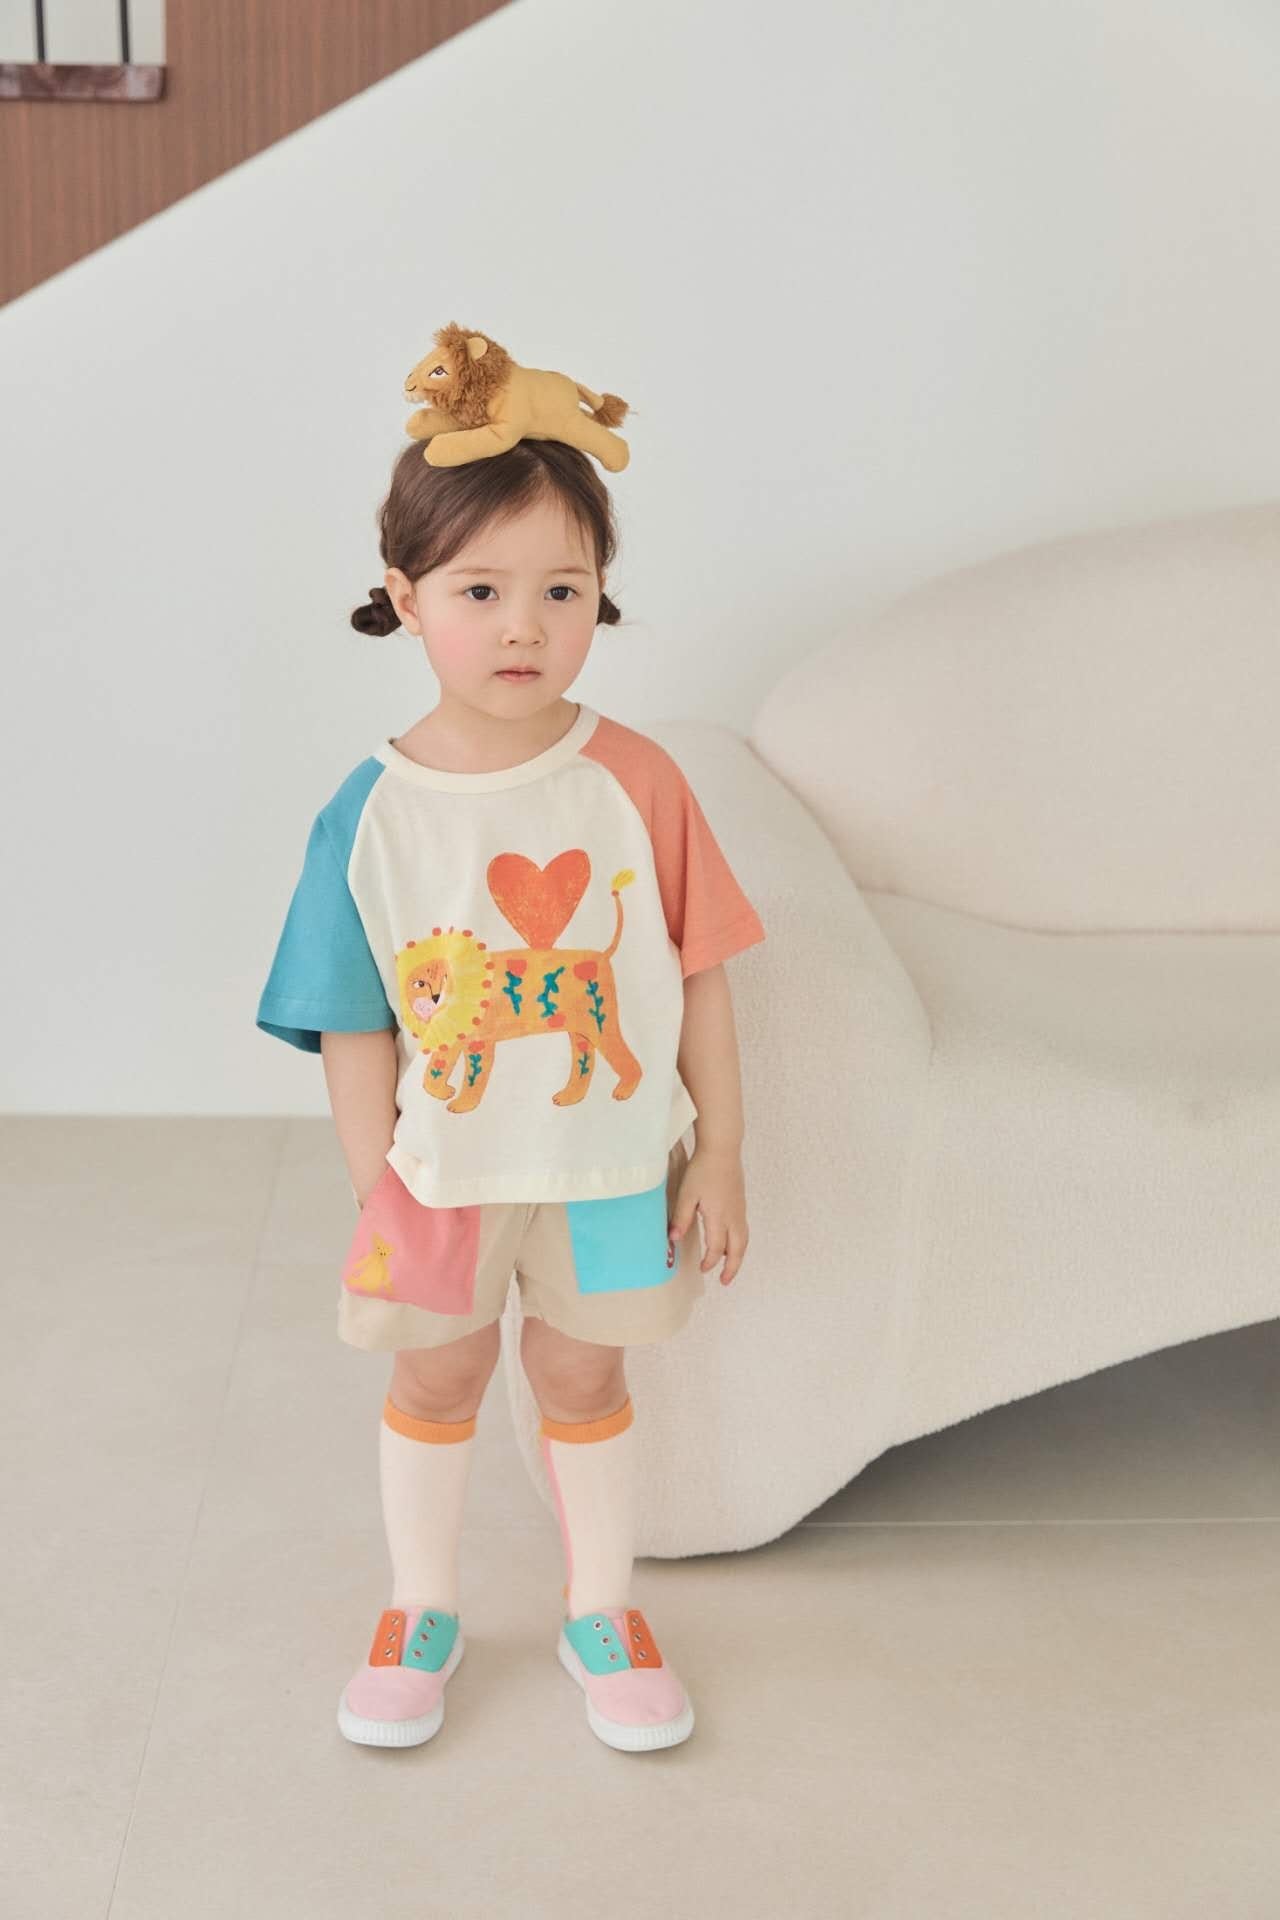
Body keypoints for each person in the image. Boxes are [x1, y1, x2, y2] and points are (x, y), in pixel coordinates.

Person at [256, 353, 765, 1755]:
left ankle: (602, 1610)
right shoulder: (369, 811)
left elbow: (700, 973)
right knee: (436, 1377)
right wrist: (378, 1182)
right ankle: (418, 1607)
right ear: (406, 596)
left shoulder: (639, 780)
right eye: (479, 591)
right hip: (438, 1178)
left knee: (585, 1379)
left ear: (601, 593)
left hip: (610, 1168)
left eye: (562, 590)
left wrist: (722, 1148)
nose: (524, 626)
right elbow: (352, 1019)